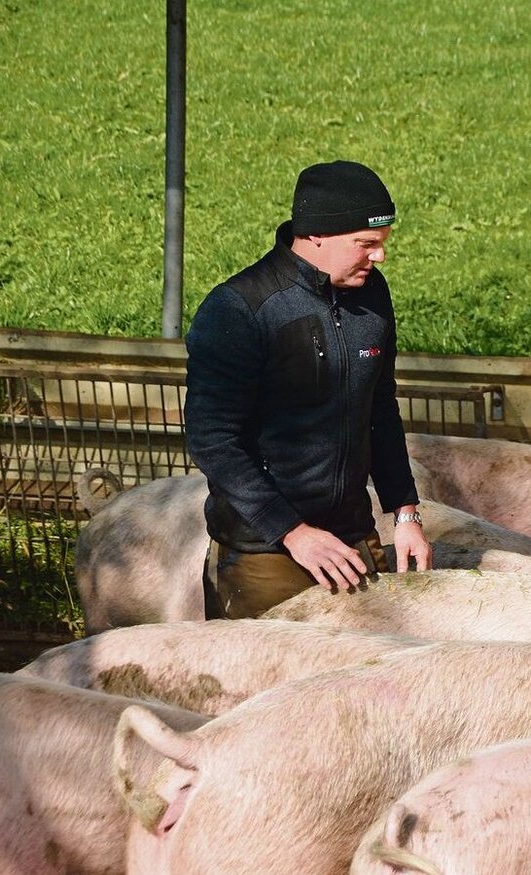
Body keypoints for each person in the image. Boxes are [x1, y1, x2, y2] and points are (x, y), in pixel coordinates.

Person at [184, 160, 431, 618]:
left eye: (382, 243)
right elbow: (213, 440)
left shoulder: (372, 295)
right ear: (317, 234)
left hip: (352, 535)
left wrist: (405, 512)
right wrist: (293, 532)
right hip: (264, 550)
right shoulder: (239, 309)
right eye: (366, 244)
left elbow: (380, 409)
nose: (379, 257)